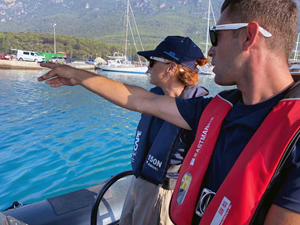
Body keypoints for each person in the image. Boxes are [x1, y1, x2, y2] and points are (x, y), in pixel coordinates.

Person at [37, 0, 300, 223]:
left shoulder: (295, 136)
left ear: (248, 36)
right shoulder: (215, 111)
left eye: (215, 36)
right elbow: (140, 100)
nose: (210, 50)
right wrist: (79, 76)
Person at [119, 36, 209, 225]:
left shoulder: (195, 111)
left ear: (171, 67)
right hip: (138, 185)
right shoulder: (154, 99)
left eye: (152, 62)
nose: (148, 67)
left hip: (163, 196)